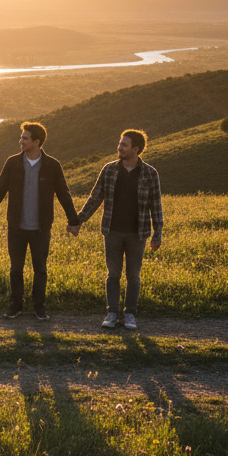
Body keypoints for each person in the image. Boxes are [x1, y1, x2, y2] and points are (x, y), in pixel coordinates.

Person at [0, 121, 79, 321]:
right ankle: (15, 305)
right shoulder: (12, 163)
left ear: (37, 142)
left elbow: (64, 194)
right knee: (16, 268)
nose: (20, 141)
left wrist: (73, 221)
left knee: (40, 268)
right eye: (21, 137)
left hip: (41, 227)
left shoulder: (52, 165)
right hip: (16, 226)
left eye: (24, 138)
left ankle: (39, 307)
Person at [76, 129, 163, 330]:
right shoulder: (109, 170)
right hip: (112, 232)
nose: (119, 147)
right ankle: (112, 312)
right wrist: (79, 220)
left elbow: (156, 206)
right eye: (120, 143)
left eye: (124, 145)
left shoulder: (150, 173)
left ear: (136, 149)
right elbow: (95, 198)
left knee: (133, 275)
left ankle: (130, 313)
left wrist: (157, 234)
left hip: (137, 234)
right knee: (113, 274)